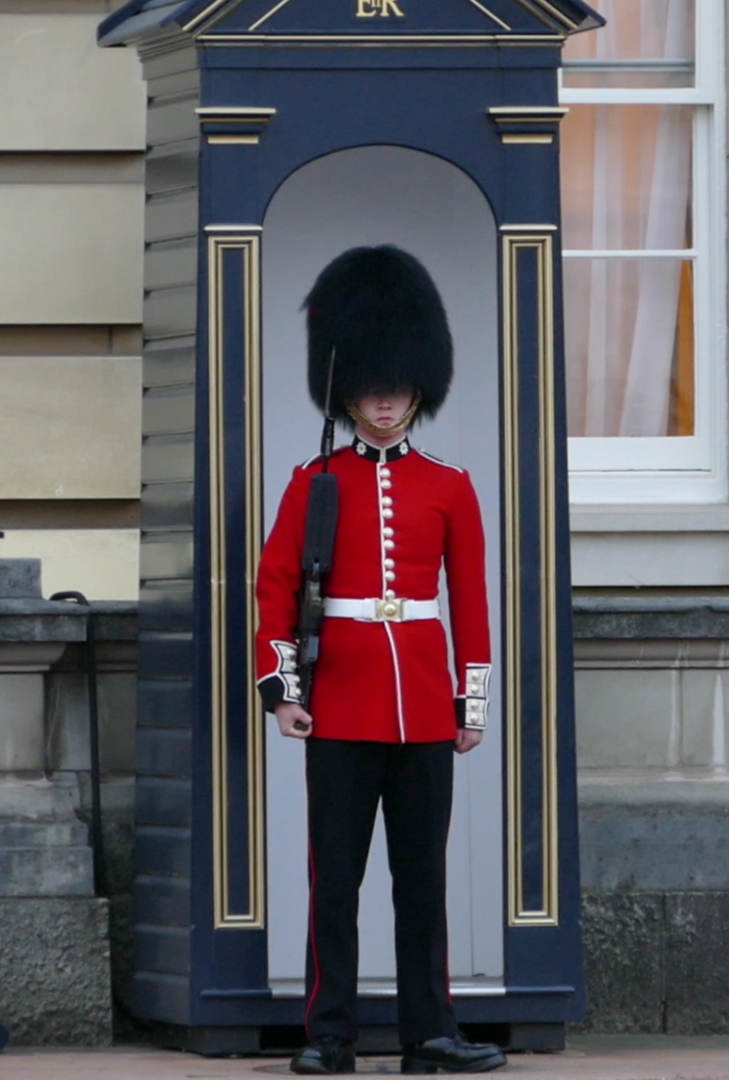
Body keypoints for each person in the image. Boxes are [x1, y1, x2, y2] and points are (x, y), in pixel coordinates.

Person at [255, 245, 505, 1076]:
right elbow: (275, 590)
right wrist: (284, 692)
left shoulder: (450, 485)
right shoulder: (312, 482)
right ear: (348, 388)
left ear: (417, 385)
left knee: (421, 885)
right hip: (341, 705)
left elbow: (469, 602)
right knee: (335, 887)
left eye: (397, 384)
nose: (386, 398)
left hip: (425, 708)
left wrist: (469, 706)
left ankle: (428, 1035)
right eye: (370, 384)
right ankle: (329, 1037)